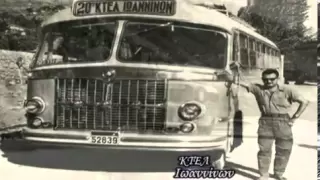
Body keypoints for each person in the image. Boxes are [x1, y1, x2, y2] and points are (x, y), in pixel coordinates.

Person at [231, 66, 309, 180]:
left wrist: (294, 117)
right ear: (262, 79)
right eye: (265, 79)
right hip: (265, 122)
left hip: (283, 122)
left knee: (284, 149)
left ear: (277, 79)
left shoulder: (287, 90)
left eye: (272, 79)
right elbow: (241, 82)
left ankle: (279, 173)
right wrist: (232, 72)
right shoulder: (258, 89)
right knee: (264, 150)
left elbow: (304, 102)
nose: (268, 81)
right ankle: (264, 175)